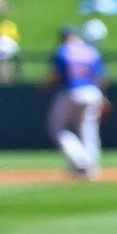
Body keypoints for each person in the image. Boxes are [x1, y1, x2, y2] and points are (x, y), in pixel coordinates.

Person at [46, 21, 110, 180]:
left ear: (64, 37)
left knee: (57, 129)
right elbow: (101, 78)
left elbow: (57, 75)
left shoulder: (63, 50)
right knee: (88, 129)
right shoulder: (91, 51)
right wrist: (102, 96)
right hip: (92, 92)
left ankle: (82, 161)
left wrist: (44, 86)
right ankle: (92, 168)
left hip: (71, 90)